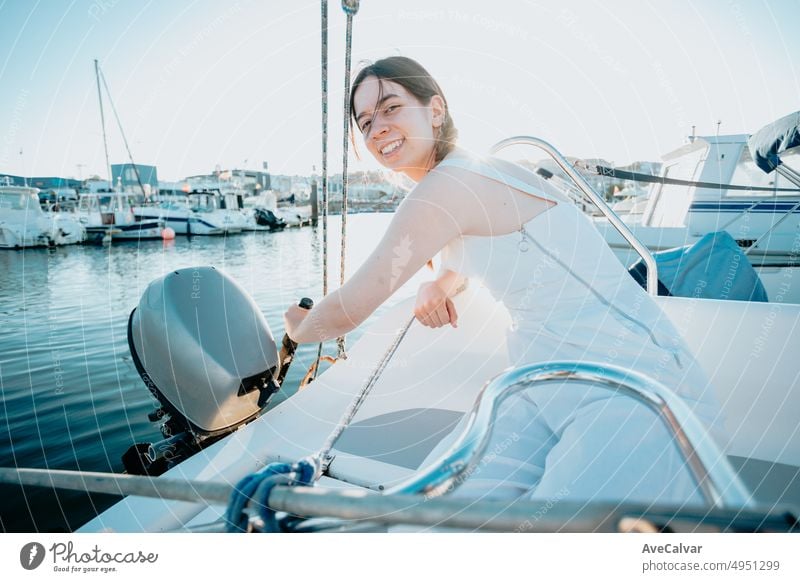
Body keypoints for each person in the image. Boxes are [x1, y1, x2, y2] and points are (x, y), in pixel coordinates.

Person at [284, 56, 726, 507]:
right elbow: (480, 251)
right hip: (540, 380)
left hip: (633, 387)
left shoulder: (445, 188)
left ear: (435, 110)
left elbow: (348, 310)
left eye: (391, 107)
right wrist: (440, 283)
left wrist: (296, 328)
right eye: (365, 121)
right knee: (440, 511)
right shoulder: (466, 175)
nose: (377, 127)